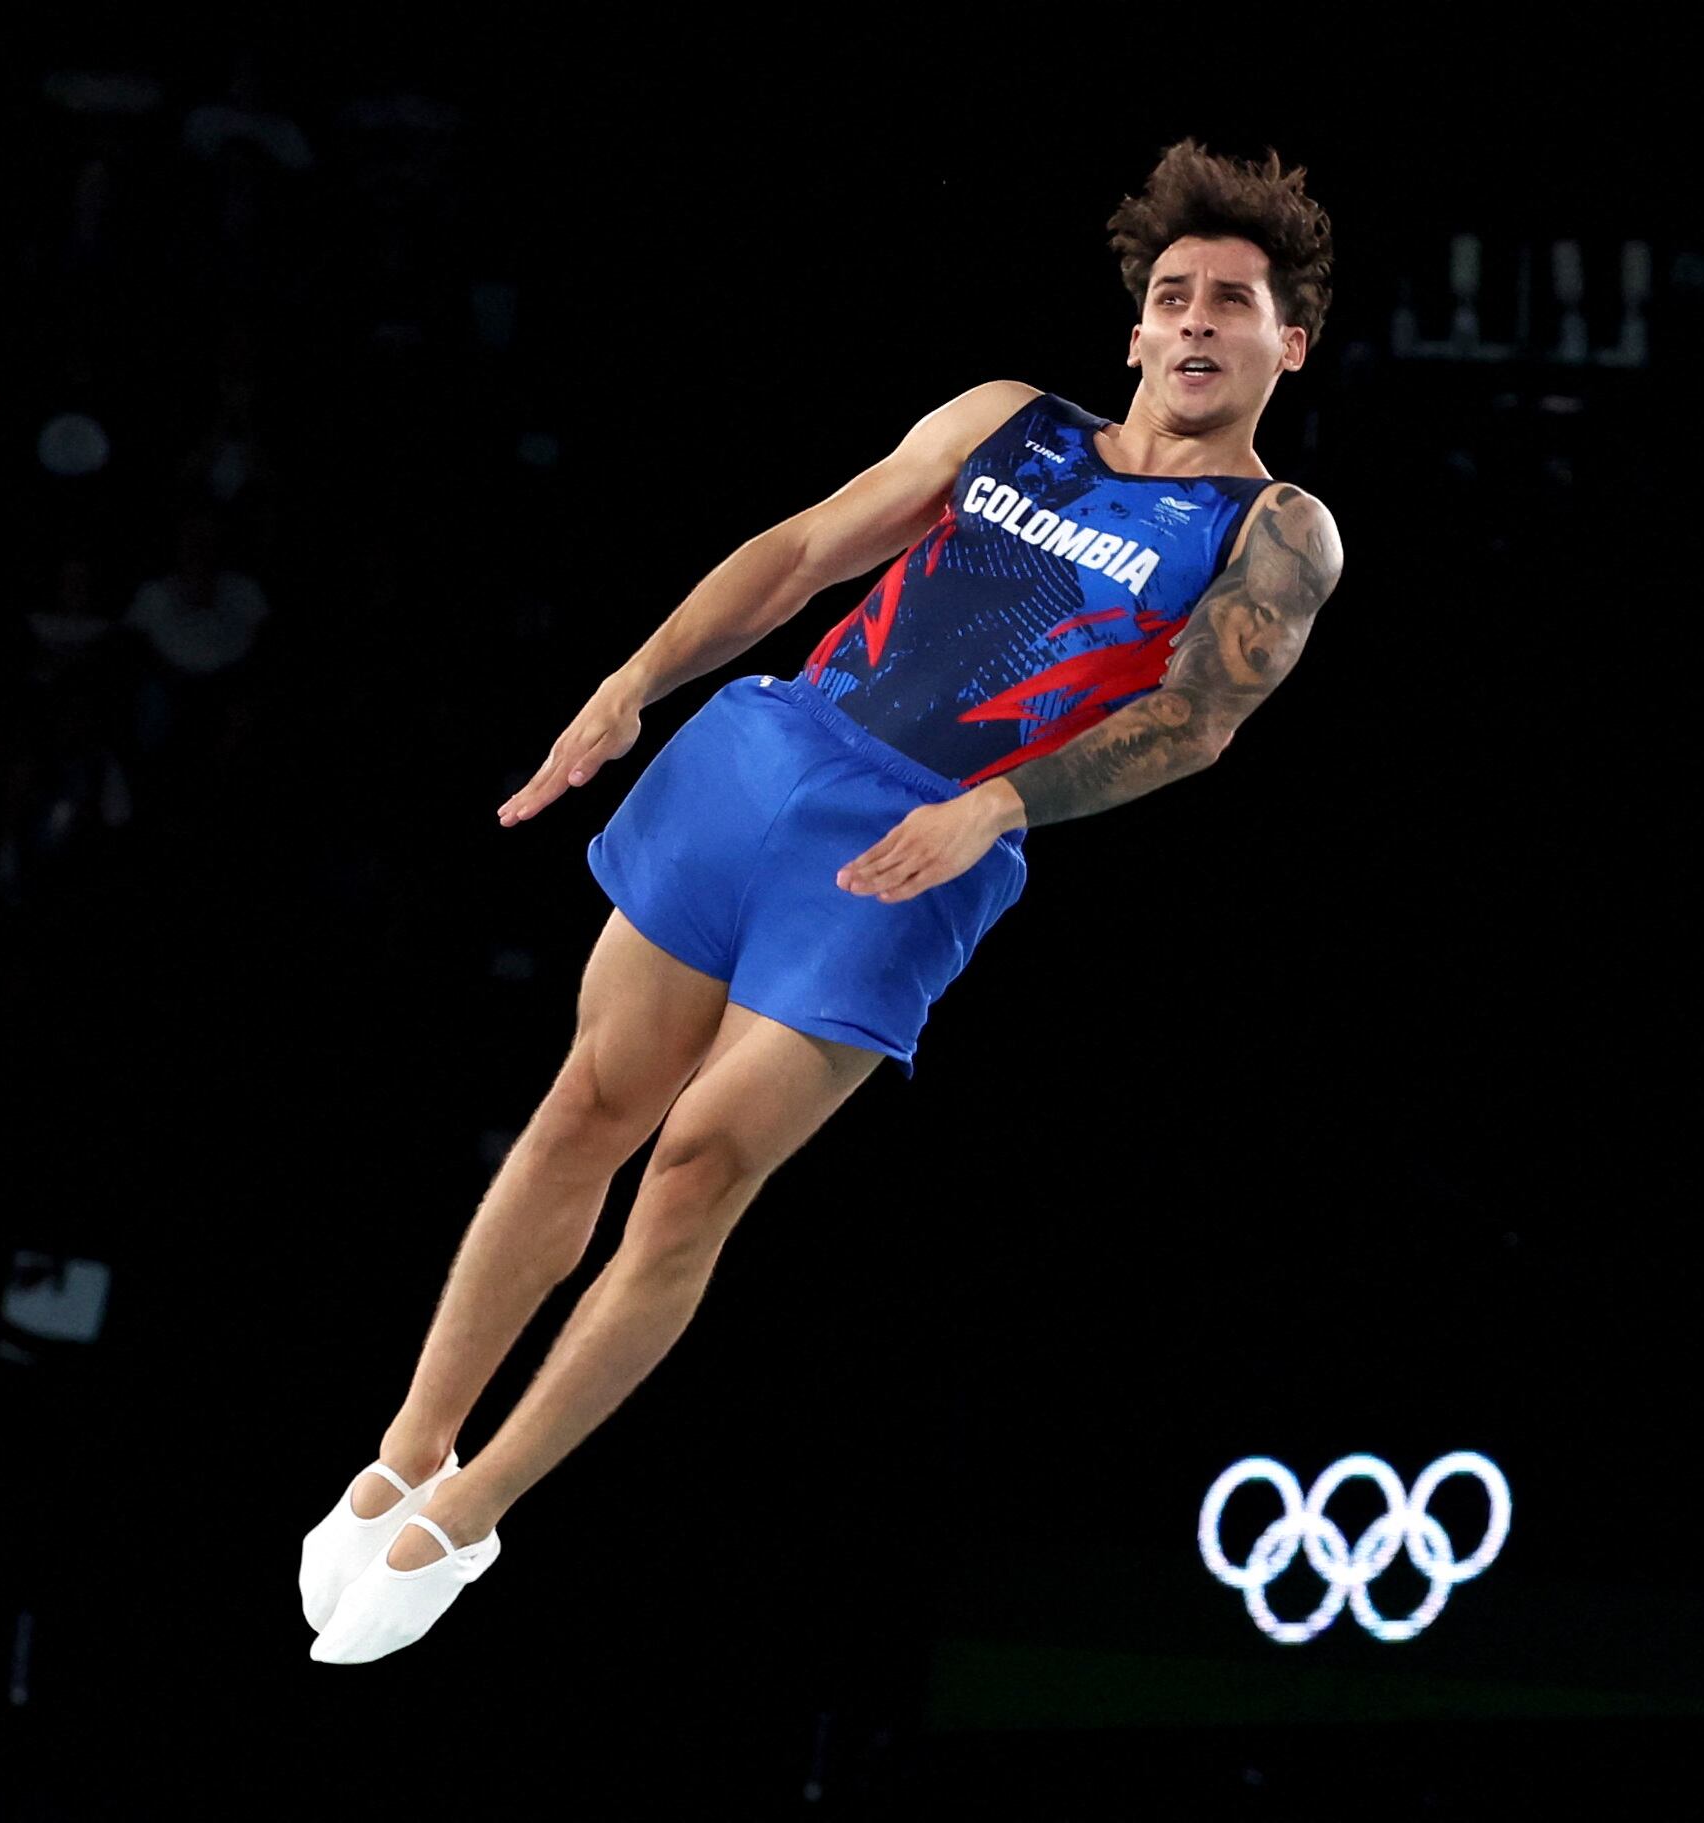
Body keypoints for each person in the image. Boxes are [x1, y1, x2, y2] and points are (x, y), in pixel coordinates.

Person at [300, 138, 1346, 1663]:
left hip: (921, 843)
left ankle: (467, 1516)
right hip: (765, 757)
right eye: (1172, 297)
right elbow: (801, 552)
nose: (1196, 323)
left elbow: (1198, 717)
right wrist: (633, 684)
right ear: (1134, 330)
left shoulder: (1276, 532)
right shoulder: (1012, 425)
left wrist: (995, 799)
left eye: (1232, 305)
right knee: (591, 1103)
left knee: (702, 1165)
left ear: (1285, 343)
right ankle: (407, 1445)